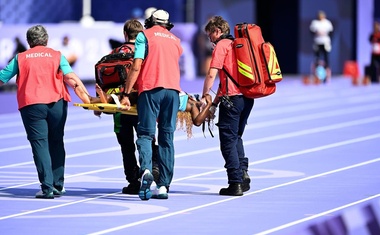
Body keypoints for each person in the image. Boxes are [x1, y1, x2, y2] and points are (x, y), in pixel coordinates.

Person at [0, 25, 92, 199]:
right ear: (47, 40)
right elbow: (72, 79)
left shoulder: (20, 58)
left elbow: (2, 78)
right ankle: (58, 185)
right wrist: (88, 100)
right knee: (57, 142)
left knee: (40, 144)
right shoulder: (57, 56)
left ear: (28, 42)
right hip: (56, 104)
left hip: (32, 105)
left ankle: (47, 187)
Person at [120, 9, 183, 200]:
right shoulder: (175, 40)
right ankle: (164, 185)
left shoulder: (143, 36)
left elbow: (137, 65)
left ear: (150, 21)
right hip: (172, 91)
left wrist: (126, 93)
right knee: (167, 137)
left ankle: (146, 171)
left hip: (150, 89)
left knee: (146, 134)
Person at [95, 19, 155, 195]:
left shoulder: (115, 52)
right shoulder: (143, 51)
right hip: (140, 102)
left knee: (126, 146)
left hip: (118, 105)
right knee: (148, 139)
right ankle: (154, 170)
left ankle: (133, 181)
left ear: (125, 34)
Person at [201, 16, 254, 196]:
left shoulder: (222, 45)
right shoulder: (236, 45)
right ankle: (243, 174)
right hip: (247, 97)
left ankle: (235, 182)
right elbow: (226, 80)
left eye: (210, 35)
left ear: (217, 31)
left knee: (227, 141)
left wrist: (205, 95)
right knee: (236, 136)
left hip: (231, 99)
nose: (210, 40)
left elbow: (212, 74)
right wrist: (215, 104)